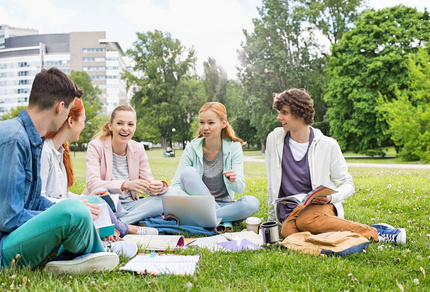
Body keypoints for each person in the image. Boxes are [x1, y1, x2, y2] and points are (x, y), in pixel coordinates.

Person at [0, 68, 118, 282]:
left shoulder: (31, 139)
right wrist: (63, 214)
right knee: (72, 210)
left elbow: (34, 199)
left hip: (11, 237)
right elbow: (9, 219)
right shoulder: (13, 138)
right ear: (60, 107)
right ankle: (91, 254)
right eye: (69, 110)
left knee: (82, 206)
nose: (68, 117)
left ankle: (81, 254)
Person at [265, 88, 406, 245]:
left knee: (306, 222)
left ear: (299, 113)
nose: (279, 117)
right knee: (288, 232)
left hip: (319, 207)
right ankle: (350, 234)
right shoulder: (274, 140)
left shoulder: (328, 144)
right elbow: (272, 185)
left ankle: (376, 233)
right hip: (292, 212)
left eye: (284, 112)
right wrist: (271, 221)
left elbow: (348, 184)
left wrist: (330, 198)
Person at [40, 98, 157, 239]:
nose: (83, 126)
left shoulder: (60, 152)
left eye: (130, 124)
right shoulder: (45, 151)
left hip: (124, 205)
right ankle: (124, 228)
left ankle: (110, 226)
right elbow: (40, 199)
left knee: (101, 201)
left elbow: (62, 194)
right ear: (71, 122)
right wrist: (82, 203)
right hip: (58, 215)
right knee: (101, 199)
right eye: (83, 121)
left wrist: (85, 199)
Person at [168, 102, 260, 227]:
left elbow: (240, 188)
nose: (205, 127)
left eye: (211, 123)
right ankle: (224, 220)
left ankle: (207, 217)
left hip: (226, 205)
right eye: (202, 122)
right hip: (199, 204)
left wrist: (234, 180)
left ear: (224, 123)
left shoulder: (234, 147)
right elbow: (176, 185)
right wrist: (191, 203)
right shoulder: (192, 147)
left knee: (252, 203)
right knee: (187, 172)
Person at [85, 105, 169, 226]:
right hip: (107, 204)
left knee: (170, 194)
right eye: (120, 123)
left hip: (131, 206)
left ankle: (121, 223)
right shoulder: (96, 146)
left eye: (130, 124)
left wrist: (157, 187)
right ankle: (129, 222)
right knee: (99, 192)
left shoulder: (138, 148)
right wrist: (125, 185)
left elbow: (147, 183)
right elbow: (93, 183)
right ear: (110, 126)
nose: (125, 129)